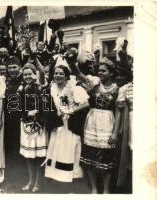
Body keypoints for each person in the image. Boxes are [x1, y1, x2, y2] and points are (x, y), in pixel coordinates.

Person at [71, 56, 119, 193]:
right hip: (92, 122)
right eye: (99, 70)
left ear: (111, 73)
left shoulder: (117, 88)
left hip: (108, 122)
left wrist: (115, 131)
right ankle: (93, 189)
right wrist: (71, 61)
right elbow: (78, 74)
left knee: (106, 157)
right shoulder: (93, 84)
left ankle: (106, 190)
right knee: (89, 156)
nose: (100, 73)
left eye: (104, 71)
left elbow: (119, 112)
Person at [43, 65, 89, 183]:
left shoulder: (74, 88)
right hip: (58, 123)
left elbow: (85, 104)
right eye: (56, 73)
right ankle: (57, 178)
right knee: (57, 149)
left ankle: (71, 178)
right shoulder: (52, 88)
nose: (58, 76)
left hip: (71, 124)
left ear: (67, 76)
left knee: (68, 149)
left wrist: (71, 110)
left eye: (61, 74)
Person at [17, 60, 46, 192]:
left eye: (30, 74)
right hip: (26, 124)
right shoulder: (21, 89)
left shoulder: (41, 88)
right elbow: (18, 108)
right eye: (25, 75)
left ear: (35, 74)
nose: (27, 77)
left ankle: (38, 182)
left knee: (39, 155)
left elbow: (46, 106)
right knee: (29, 155)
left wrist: (38, 111)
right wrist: (27, 112)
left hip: (39, 125)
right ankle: (30, 180)